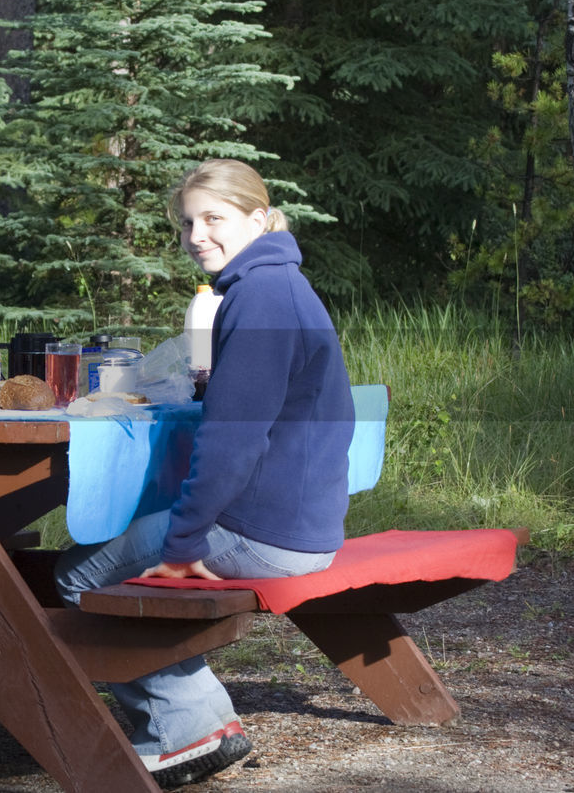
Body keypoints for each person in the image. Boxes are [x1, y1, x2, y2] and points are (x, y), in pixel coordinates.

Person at [54, 159, 355, 788]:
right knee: (115, 553)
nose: (197, 236)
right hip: (298, 524)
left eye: (213, 219)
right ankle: (200, 718)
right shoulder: (276, 285)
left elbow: (232, 444)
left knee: (77, 574)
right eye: (189, 222)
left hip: (266, 533)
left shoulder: (262, 295)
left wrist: (184, 541)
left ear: (258, 217)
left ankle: (186, 729)